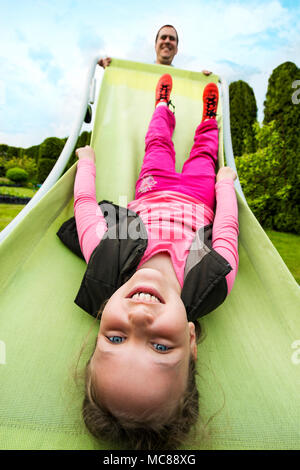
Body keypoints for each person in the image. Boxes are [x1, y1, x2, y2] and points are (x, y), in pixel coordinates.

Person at [57, 74, 239, 450]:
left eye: (116, 337)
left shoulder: (105, 255)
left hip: (152, 186)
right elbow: (226, 231)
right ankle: (209, 119)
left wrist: (86, 162)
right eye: (160, 346)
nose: (139, 318)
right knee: (204, 154)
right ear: (190, 339)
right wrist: (224, 186)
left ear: (102, 319)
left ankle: (162, 107)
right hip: (199, 196)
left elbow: (85, 207)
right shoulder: (211, 281)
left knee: (157, 142)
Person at [98, 24, 212, 74]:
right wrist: (109, 67)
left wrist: (203, 83)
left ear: (176, 49)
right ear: (155, 45)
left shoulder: (186, 82)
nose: (167, 41)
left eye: (171, 38)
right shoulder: (138, 73)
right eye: (163, 37)